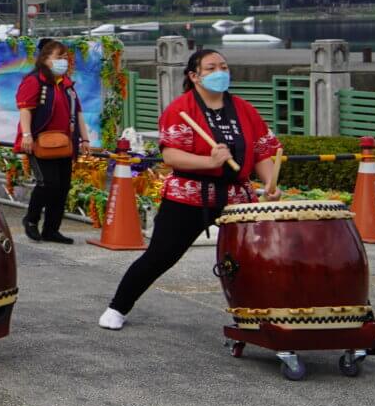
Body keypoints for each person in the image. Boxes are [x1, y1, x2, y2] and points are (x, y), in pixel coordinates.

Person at [100, 48, 280, 330]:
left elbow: (261, 152)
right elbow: (171, 155)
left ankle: (256, 314)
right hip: (189, 195)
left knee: (252, 258)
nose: (220, 71)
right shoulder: (181, 110)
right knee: (161, 255)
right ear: (194, 76)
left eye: (223, 65)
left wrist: (270, 183)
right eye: (211, 68)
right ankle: (118, 306)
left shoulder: (245, 109)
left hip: (237, 197)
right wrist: (209, 161)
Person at [16, 39, 96, 244]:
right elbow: (25, 109)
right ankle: (31, 220)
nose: (63, 61)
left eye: (65, 58)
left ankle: (52, 229)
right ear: (45, 59)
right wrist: (27, 135)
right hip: (40, 142)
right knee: (47, 183)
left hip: (64, 142)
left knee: (62, 187)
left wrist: (84, 138)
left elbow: (77, 112)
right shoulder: (34, 81)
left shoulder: (67, 84)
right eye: (58, 57)